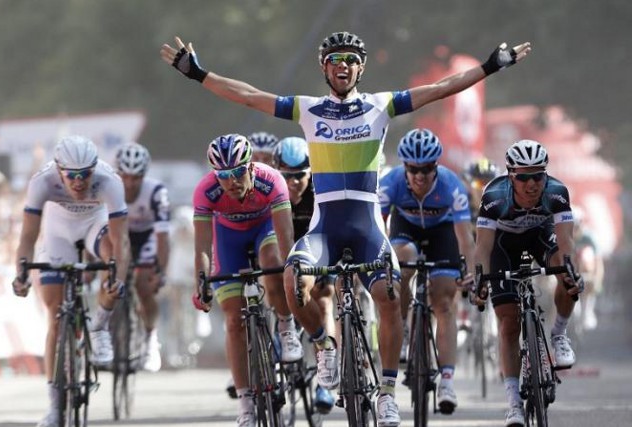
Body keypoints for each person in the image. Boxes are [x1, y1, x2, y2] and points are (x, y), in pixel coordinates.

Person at [161, 31, 531, 426]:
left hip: (367, 230)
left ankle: (387, 393)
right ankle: (325, 347)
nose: (343, 65)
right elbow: (249, 95)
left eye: (351, 59)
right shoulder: (308, 109)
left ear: (361, 67)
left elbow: (441, 88)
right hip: (324, 231)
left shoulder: (380, 105)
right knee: (291, 279)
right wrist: (198, 73)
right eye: (335, 58)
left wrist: (490, 65)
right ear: (324, 67)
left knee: (390, 294)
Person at [11, 135, 131, 427]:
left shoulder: (109, 181)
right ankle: (54, 406)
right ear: (59, 170)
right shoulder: (42, 182)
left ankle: (100, 324)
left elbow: (122, 240)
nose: (79, 182)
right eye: (72, 176)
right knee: (54, 316)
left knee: (110, 257)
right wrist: (21, 273)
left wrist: (120, 278)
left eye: (85, 174)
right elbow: (27, 236)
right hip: (58, 231)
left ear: (94, 169)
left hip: (95, 224)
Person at [191, 134, 304, 427]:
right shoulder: (206, 191)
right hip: (228, 238)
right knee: (233, 319)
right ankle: (245, 402)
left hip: (264, 228)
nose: (231, 181)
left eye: (238, 172)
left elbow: (285, 239)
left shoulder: (272, 180)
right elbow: (203, 246)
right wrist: (200, 282)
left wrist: (291, 272)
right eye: (224, 176)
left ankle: (285, 324)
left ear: (251, 166)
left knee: (272, 263)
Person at [473, 139, 584, 427]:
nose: (531, 183)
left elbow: (566, 241)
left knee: (566, 272)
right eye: (523, 177)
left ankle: (558, 334)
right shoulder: (494, 195)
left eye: (538, 175)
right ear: (511, 175)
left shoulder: (557, 192)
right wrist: (480, 280)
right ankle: (513, 403)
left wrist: (569, 271)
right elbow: (482, 247)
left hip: (539, 236)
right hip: (502, 245)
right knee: (508, 323)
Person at [378, 128, 475, 415]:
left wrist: (470, 271)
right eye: (413, 169)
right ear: (405, 167)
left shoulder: (451, 185)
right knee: (402, 260)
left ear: (436, 166)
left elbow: (465, 238)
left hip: (442, 234)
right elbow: (376, 229)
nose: (420, 176)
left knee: (444, 301)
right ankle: (405, 330)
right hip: (404, 230)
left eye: (427, 169)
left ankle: (446, 380)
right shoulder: (391, 182)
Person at [273, 136, 335, 414]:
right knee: (272, 284)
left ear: (311, 171)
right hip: (285, 248)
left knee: (324, 299)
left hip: (319, 247)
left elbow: (332, 230)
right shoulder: (271, 191)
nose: (293, 182)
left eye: (300, 175)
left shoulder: (321, 190)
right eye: (287, 175)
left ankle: (325, 374)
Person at [115, 142, 171, 372]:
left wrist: (160, 272)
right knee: (111, 279)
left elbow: (162, 238)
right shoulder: (111, 189)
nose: (129, 183)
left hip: (148, 238)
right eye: (125, 177)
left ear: (144, 175)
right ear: (118, 174)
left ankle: (150, 338)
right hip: (121, 236)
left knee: (143, 284)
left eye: (135, 178)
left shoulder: (156, 192)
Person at [461, 157, 501, 223]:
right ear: (468, 185)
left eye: (489, 184)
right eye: (479, 183)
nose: (484, 189)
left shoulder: (505, 211)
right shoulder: (458, 209)